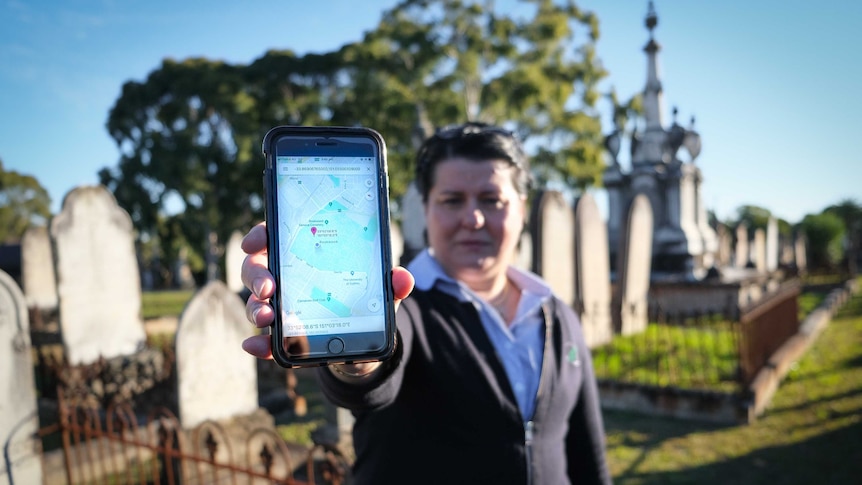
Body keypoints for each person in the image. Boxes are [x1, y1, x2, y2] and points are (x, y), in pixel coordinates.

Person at [240, 122, 612, 485]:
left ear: (521, 209)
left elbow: (588, 453)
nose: (473, 218)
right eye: (452, 201)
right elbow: (372, 382)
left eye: (491, 200)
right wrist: (356, 360)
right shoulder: (404, 305)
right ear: (426, 208)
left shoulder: (556, 314)